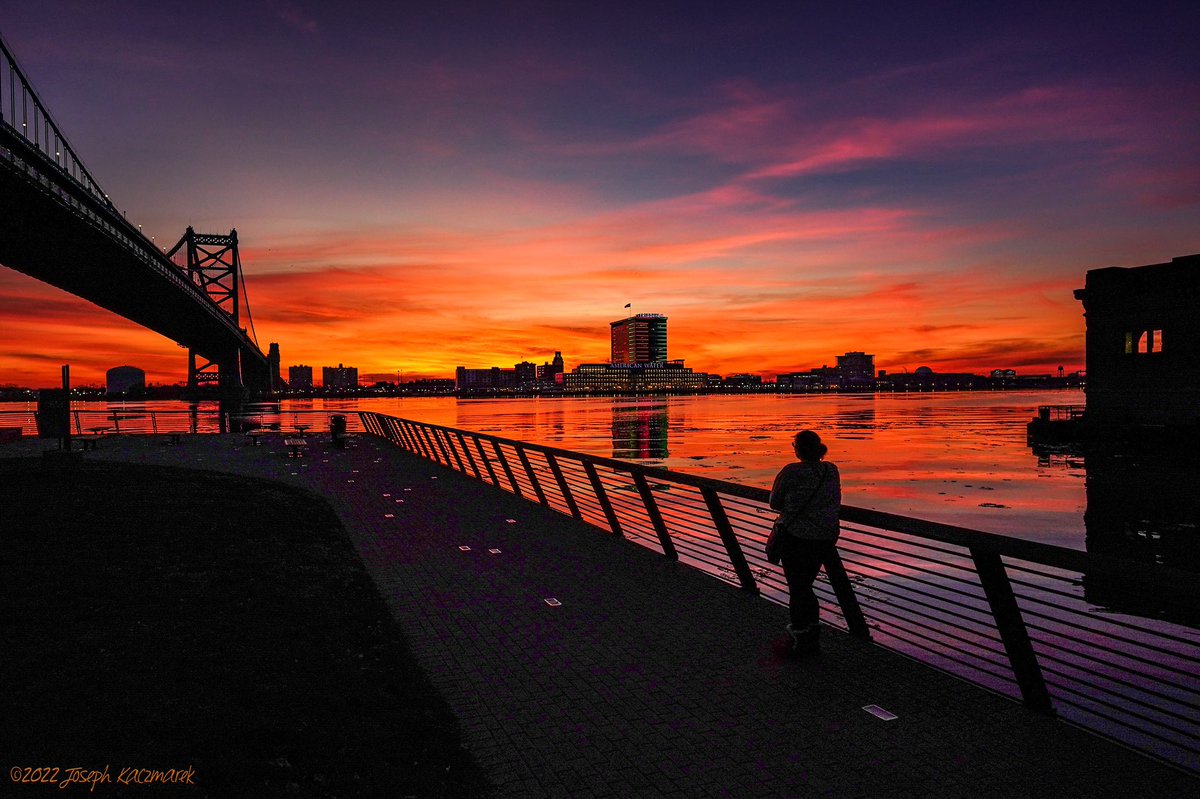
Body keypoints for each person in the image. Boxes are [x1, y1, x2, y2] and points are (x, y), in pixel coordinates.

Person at [769, 430, 841, 653]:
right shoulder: (831, 470)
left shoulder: (791, 471)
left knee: (798, 587)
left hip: (796, 537)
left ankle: (800, 637)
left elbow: (775, 502)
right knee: (804, 585)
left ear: (798, 449)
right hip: (825, 537)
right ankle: (809, 633)